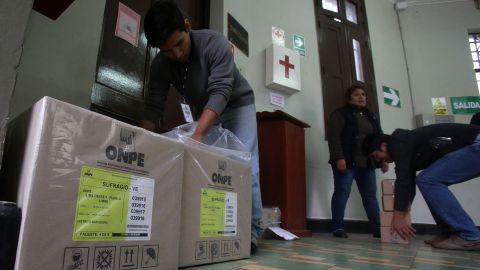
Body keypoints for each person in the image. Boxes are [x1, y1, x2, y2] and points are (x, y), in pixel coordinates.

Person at [141, 0, 263, 254]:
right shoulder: (161, 65)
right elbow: (154, 104)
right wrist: (143, 142)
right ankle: (214, 227)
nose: (176, 54)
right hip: (207, 112)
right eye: (167, 51)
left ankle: (251, 232)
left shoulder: (214, 43)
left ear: (187, 25)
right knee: (204, 170)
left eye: (179, 44)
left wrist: (197, 135)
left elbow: (220, 91)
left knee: (245, 167)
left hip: (237, 105)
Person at [362, 123, 480, 251]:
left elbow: (403, 181)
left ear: (383, 146)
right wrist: (404, 212)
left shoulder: (398, 142)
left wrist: (398, 216)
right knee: (426, 180)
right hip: (474, 146)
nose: (380, 160)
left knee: (428, 180)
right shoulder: (405, 146)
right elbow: (408, 184)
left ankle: (469, 236)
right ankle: (449, 232)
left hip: (476, 144)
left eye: (376, 156)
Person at [327, 85, 383, 238]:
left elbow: (379, 139)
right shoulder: (340, 114)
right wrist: (339, 157)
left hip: (367, 162)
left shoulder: (371, 116)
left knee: (370, 196)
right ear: (349, 98)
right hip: (347, 161)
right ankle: (337, 227)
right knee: (342, 193)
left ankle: (379, 229)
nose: (361, 97)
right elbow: (334, 138)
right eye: (357, 94)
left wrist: (382, 160)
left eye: (364, 94)